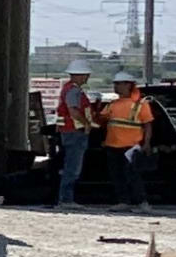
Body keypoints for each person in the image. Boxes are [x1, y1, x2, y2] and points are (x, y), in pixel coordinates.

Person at [98, 77, 157, 209]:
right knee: (117, 175)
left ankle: (142, 202)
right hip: (112, 145)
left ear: (128, 85)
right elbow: (102, 120)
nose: (116, 86)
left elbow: (148, 125)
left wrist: (146, 143)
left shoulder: (141, 104)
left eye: (119, 84)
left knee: (132, 175)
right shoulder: (112, 104)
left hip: (130, 146)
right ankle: (123, 201)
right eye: (115, 84)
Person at [50, 71, 94, 209]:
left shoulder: (68, 89)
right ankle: (66, 200)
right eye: (86, 75)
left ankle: (65, 199)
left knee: (70, 166)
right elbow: (73, 111)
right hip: (75, 133)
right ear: (80, 75)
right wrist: (87, 123)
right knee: (73, 168)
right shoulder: (73, 91)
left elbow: (63, 113)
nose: (87, 78)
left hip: (69, 132)